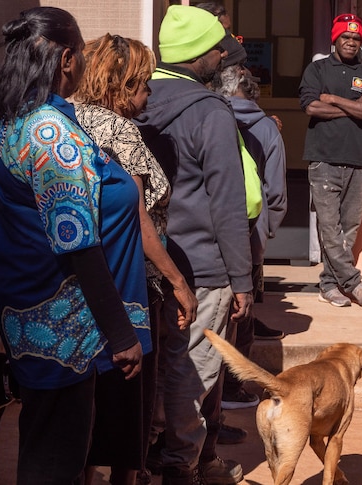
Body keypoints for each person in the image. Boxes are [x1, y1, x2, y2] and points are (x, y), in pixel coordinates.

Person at [0, 7, 146, 484]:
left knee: (41, 433)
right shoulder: (50, 133)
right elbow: (77, 244)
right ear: (67, 58)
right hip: (62, 326)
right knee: (58, 457)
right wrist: (121, 334)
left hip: (19, 310)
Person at [73, 34, 200, 485]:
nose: (148, 95)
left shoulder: (66, 119)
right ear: (120, 85)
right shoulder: (120, 130)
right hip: (130, 278)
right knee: (130, 401)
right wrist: (178, 282)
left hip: (82, 275)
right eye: (143, 85)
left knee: (90, 394)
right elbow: (139, 219)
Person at [135, 5, 253, 485]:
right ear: (199, 55)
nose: (223, 55)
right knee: (195, 367)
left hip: (148, 260)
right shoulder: (209, 111)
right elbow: (227, 202)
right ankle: (179, 464)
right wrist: (242, 280)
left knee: (160, 363)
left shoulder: (136, 101)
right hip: (204, 266)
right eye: (218, 49)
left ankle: (164, 453)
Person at [208, 63, 288, 417]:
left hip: (208, 233)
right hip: (248, 235)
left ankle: (214, 389)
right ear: (252, 91)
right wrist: (267, 228)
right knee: (243, 310)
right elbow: (276, 192)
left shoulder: (208, 118)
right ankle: (233, 385)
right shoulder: (267, 129)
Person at [299, 13, 362, 308]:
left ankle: (329, 285)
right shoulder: (317, 69)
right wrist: (355, 106)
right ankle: (352, 282)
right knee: (329, 226)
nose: (351, 42)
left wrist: (335, 100)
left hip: (358, 161)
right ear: (335, 39)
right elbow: (311, 107)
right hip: (324, 160)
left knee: (349, 227)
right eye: (345, 37)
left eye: (356, 38)